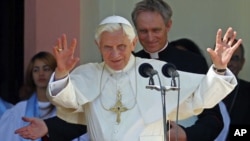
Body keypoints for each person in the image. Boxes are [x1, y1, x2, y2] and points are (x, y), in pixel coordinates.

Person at [14, 15, 241, 141]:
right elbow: (68, 102)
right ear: (98, 46)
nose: (115, 54)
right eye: (108, 47)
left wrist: (219, 69)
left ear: (133, 44)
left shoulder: (157, 71)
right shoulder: (89, 74)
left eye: (121, 46)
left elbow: (198, 100)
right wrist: (62, 73)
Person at [131, 1, 225, 140]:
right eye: (143, 31)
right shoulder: (129, 65)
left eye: (156, 30)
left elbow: (213, 118)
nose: (150, 38)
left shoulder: (193, 62)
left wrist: (186, 135)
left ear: (168, 25)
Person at [0, 51, 86, 141]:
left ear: (54, 72)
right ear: (31, 75)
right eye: (36, 70)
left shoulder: (68, 109)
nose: (41, 73)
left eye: (46, 69)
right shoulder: (19, 111)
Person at [169, 38, 230, 141]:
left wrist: (187, 135)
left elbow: (218, 133)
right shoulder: (159, 96)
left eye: (185, 61)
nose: (179, 68)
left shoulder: (213, 103)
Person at [222, 39, 250, 141]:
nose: (229, 63)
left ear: (242, 63)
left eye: (234, 58)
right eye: (225, 56)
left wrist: (229, 135)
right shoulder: (202, 87)